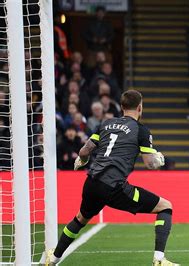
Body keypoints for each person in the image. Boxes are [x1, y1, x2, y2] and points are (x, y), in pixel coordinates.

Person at [45, 90, 179, 266]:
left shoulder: (106, 123)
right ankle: (159, 260)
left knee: (80, 219)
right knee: (165, 206)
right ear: (140, 107)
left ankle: (53, 259)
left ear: (122, 107)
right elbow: (150, 164)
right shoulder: (141, 130)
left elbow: (84, 151)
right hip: (114, 187)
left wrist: (82, 161)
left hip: (91, 182)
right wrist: (160, 160)